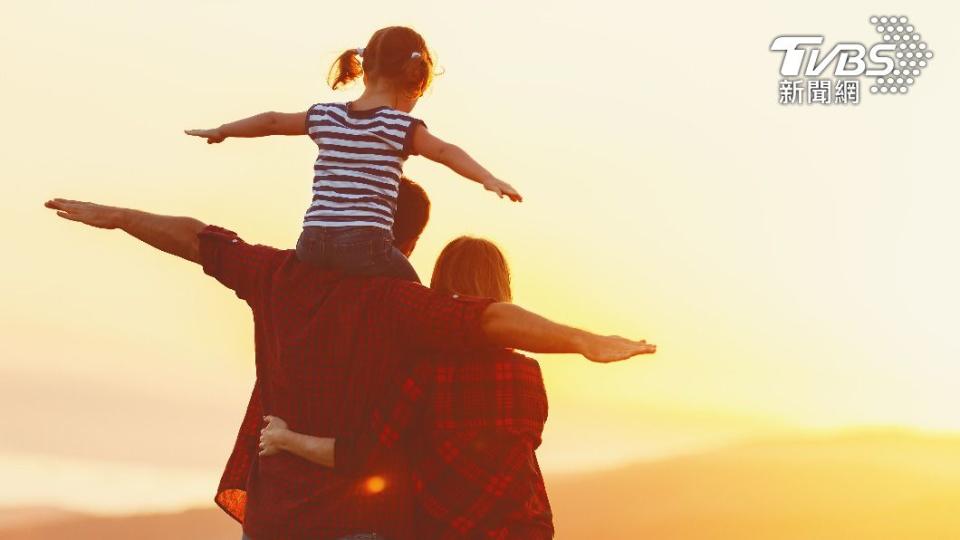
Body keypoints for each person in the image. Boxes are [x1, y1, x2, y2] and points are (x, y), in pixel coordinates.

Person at [43, 183, 655, 540]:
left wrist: (122, 217)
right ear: (405, 242)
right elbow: (486, 321)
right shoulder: (412, 311)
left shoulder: (281, 276)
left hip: (282, 517)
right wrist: (581, 340)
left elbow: (202, 240)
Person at [260, 236, 556, 538]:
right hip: (526, 529)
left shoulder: (423, 373)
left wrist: (285, 439)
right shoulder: (527, 373)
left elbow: (362, 456)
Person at [185, 26, 520, 282]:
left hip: (312, 243)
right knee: (413, 291)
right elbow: (445, 151)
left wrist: (223, 130)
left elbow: (272, 120)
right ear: (413, 78)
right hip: (364, 246)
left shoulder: (326, 116)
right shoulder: (398, 126)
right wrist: (487, 178)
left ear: (365, 68)